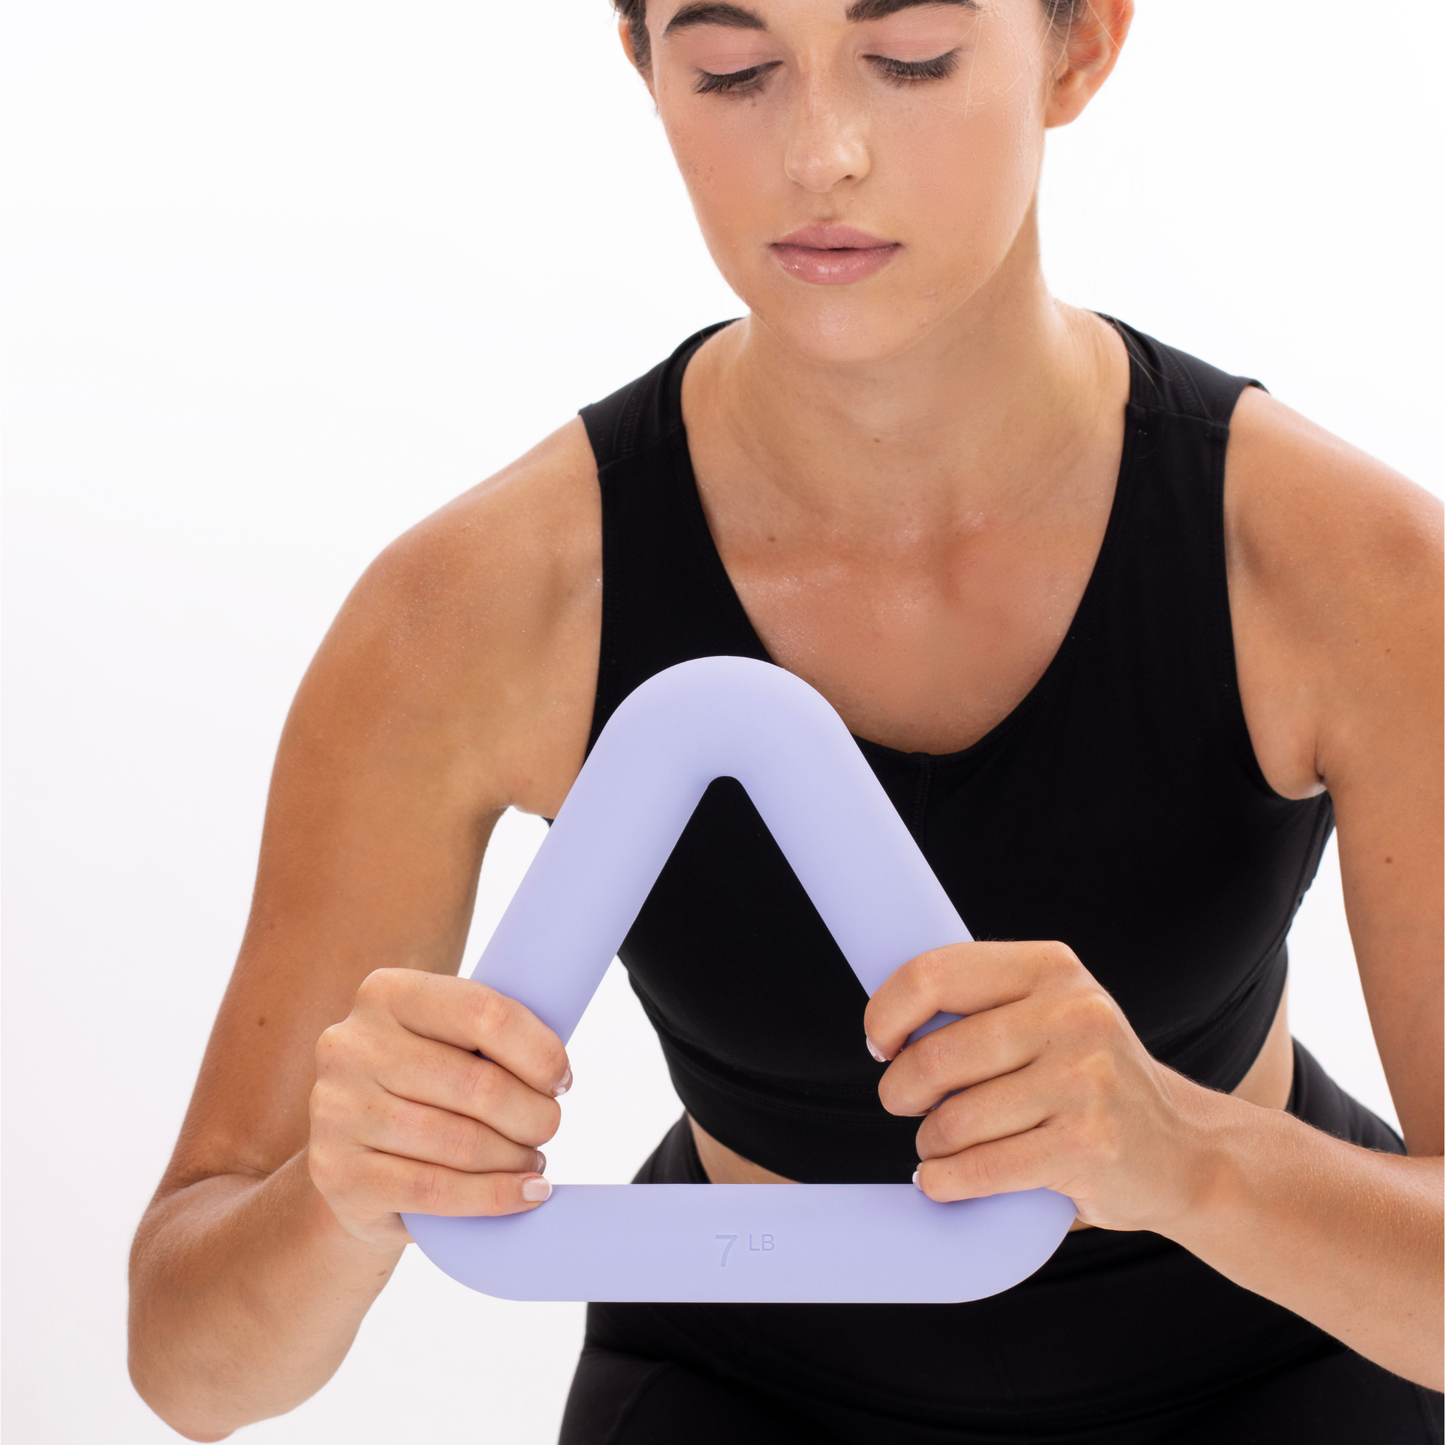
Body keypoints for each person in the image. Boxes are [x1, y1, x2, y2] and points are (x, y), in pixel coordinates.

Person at [127, 1, 1443, 1440]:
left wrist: (1192, 1157)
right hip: (738, 1389)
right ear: (642, 66)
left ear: (1079, 47)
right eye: (734, 71)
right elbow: (190, 1368)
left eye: (914, 56)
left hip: (1283, 1363)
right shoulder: (476, 611)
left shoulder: (1345, 571)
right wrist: (348, 1189)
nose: (823, 152)